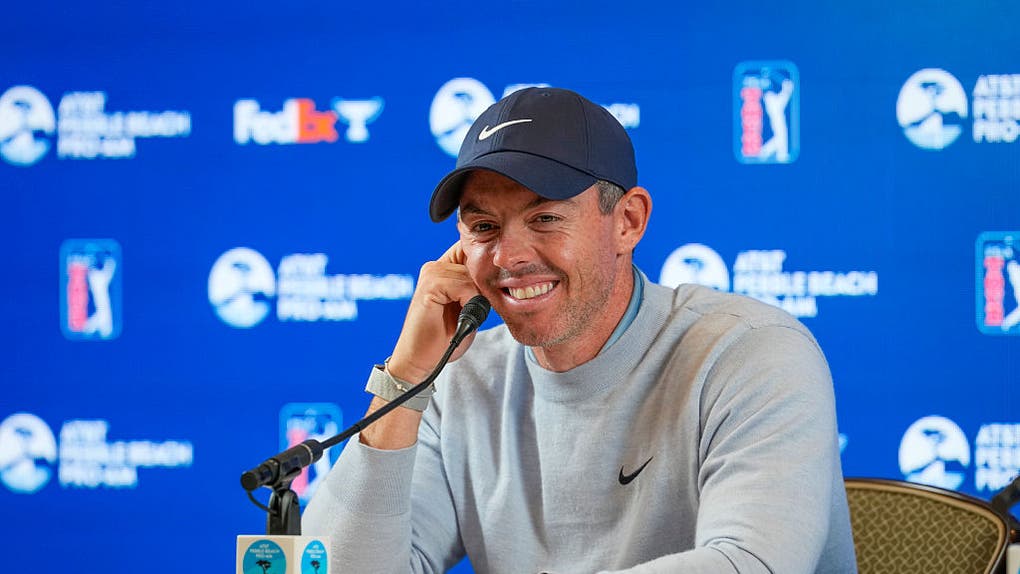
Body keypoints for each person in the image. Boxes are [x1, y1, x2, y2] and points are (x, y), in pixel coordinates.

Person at [303, 87, 858, 573]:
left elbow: (749, 563)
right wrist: (406, 381)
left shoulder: (750, 353)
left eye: (545, 217)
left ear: (628, 222)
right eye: (483, 226)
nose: (507, 257)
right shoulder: (459, 382)